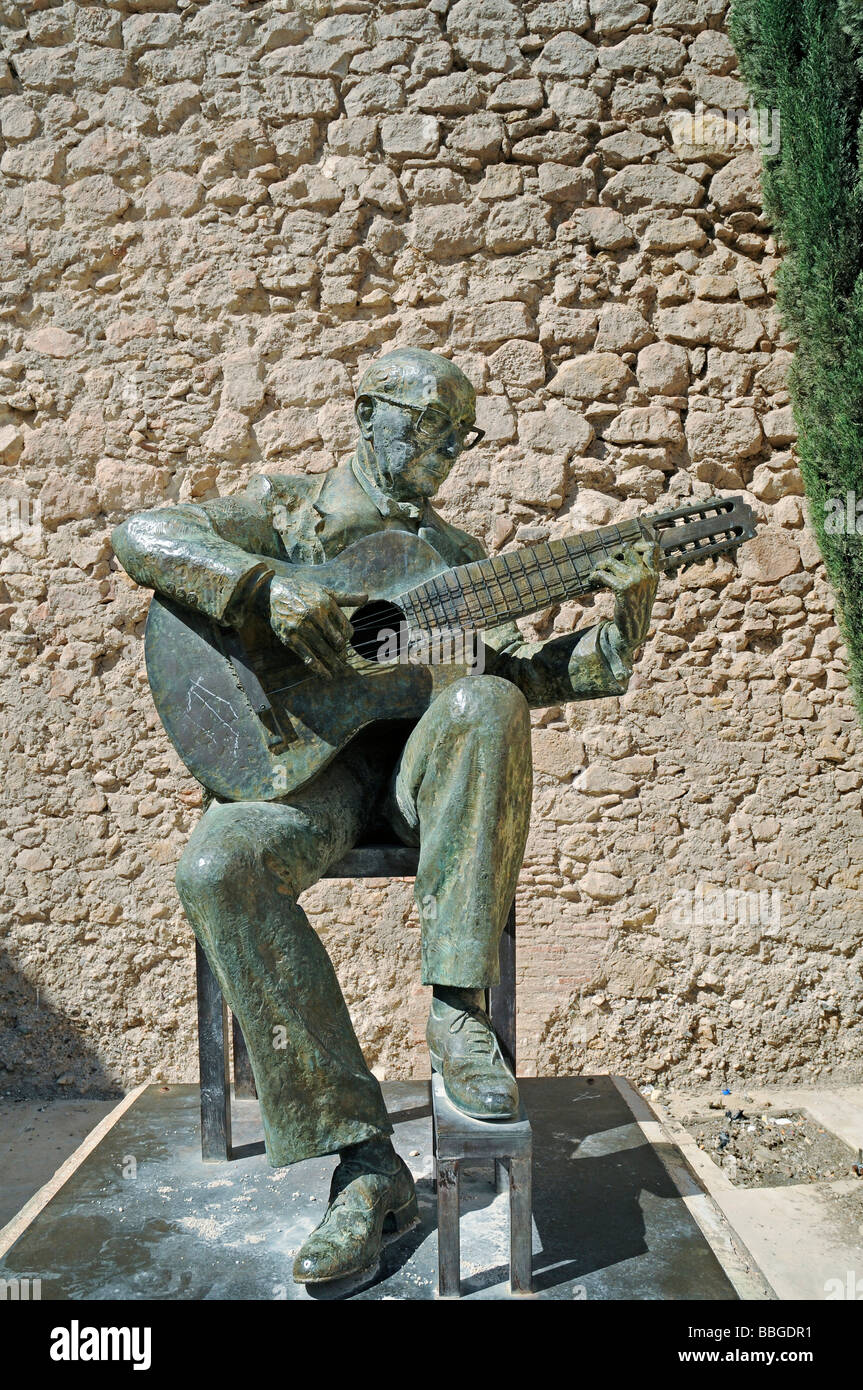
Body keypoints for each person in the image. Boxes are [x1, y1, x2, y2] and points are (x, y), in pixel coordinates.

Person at [112, 347, 660, 1284]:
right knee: (216, 868)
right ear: (367, 415)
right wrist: (264, 587)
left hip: (414, 784)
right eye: (427, 425)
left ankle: (456, 1011)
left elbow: (526, 672)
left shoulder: (457, 561)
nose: (445, 449)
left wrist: (622, 625)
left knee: (487, 702)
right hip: (299, 777)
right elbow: (142, 534)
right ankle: (366, 1165)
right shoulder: (285, 511)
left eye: (461, 436)